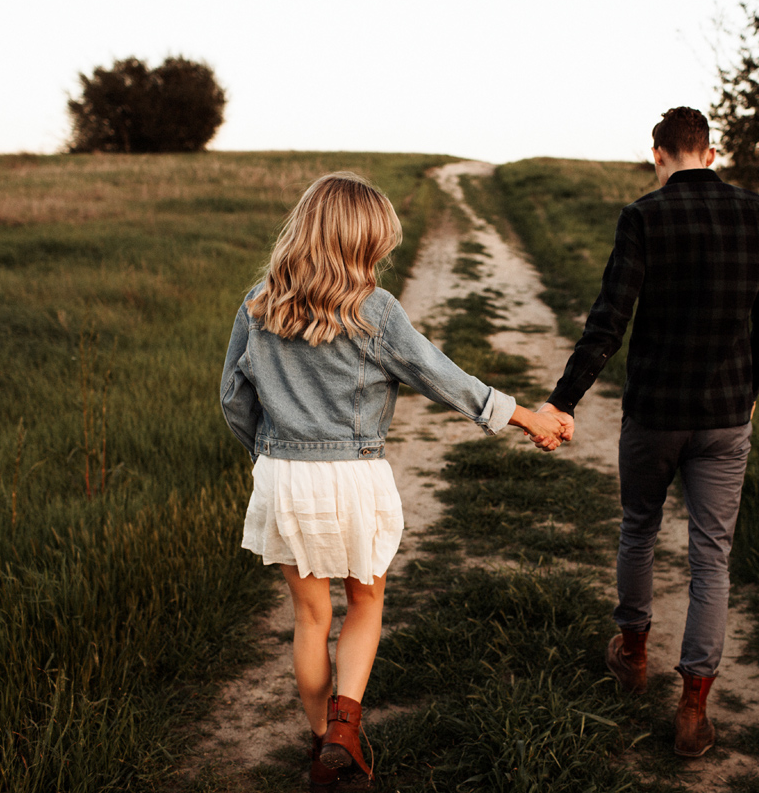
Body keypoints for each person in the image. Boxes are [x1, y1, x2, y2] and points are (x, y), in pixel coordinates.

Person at [220, 172, 568, 787]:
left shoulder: (258, 303)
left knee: (309, 619)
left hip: (284, 477)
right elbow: (443, 377)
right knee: (365, 600)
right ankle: (346, 730)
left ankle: (317, 744)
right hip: (354, 477)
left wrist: (270, 459)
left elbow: (233, 401)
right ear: (362, 242)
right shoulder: (373, 311)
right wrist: (525, 417)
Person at [539, 107, 759, 757]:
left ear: (658, 154)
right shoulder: (758, 212)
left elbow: (609, 320)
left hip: (654, 413)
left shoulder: (644, 216)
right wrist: (750, 391)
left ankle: (635, 654)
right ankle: (694, 707)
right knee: (711, 557)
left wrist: (564, 400)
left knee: (639, 529)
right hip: (726, 418)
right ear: (710, 153)